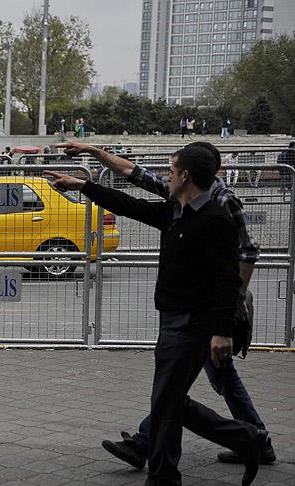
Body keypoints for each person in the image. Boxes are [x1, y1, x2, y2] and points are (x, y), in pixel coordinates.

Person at [45, 145, 267, 486]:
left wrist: (222, 331)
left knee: (166, 402)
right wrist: (83, 186)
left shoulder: (215, 218)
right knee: (170, 402)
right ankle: (245, 439)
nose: (167, 176)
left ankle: (165, 475)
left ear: (186, 177)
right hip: (171, 319)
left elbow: (227, 278)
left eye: (172, 170)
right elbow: (130, 205)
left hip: (194, 324)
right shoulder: (176, 210)